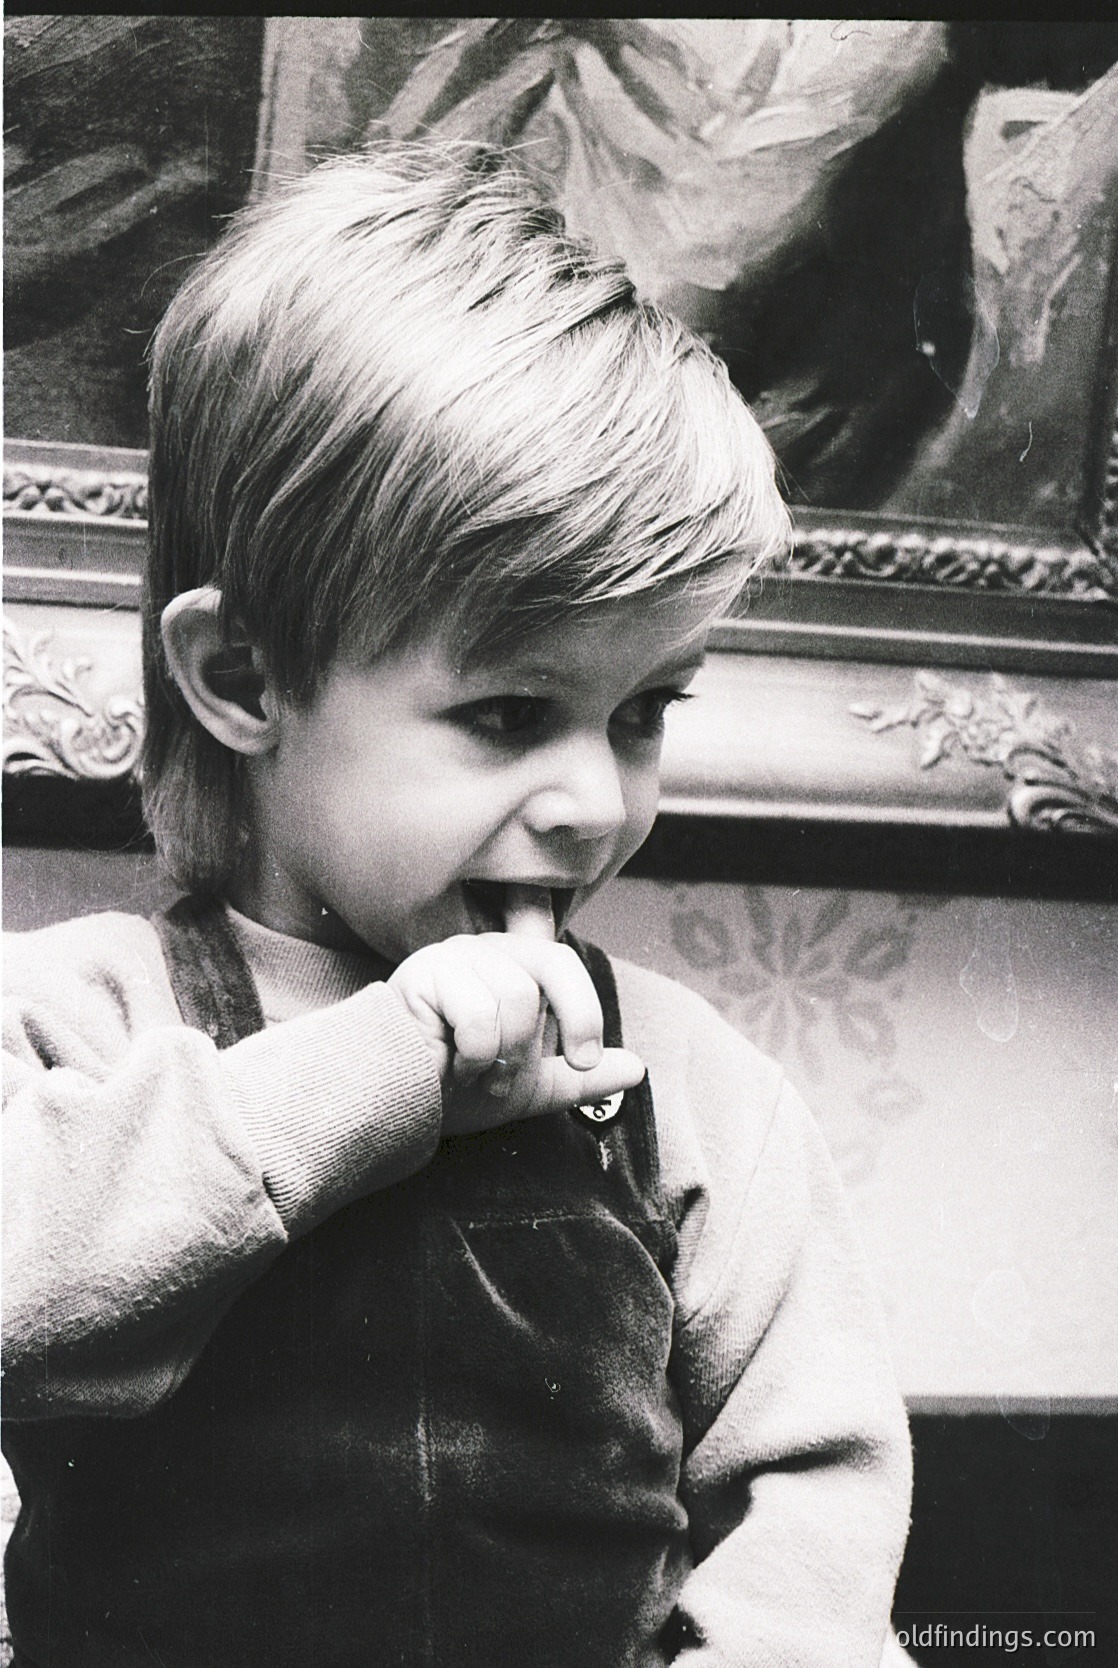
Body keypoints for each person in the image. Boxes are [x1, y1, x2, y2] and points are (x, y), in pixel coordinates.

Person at [2, 142, 912, 1667]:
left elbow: (805, 1517)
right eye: (506, 713)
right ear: (241, 678)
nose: (593, 801)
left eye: (641, 714)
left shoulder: (688, 1088)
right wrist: (379, 1068)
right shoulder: (73, 1017)